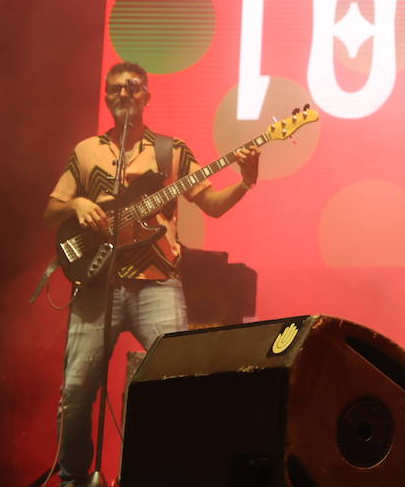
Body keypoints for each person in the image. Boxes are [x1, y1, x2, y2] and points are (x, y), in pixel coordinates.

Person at [44, 61, 261, 487]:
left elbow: (212, 204)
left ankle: (164, 475)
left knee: (177, 385)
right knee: (75, 394)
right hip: (96, 286)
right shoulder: (86, 151)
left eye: (132, 88)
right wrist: (76, 205)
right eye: (114, 90)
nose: (123, 95)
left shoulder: (171, 152)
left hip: (157, 284)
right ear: (106, 97)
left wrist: (245, 180)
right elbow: (52, 210)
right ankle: (72, 479)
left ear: (147, 96)